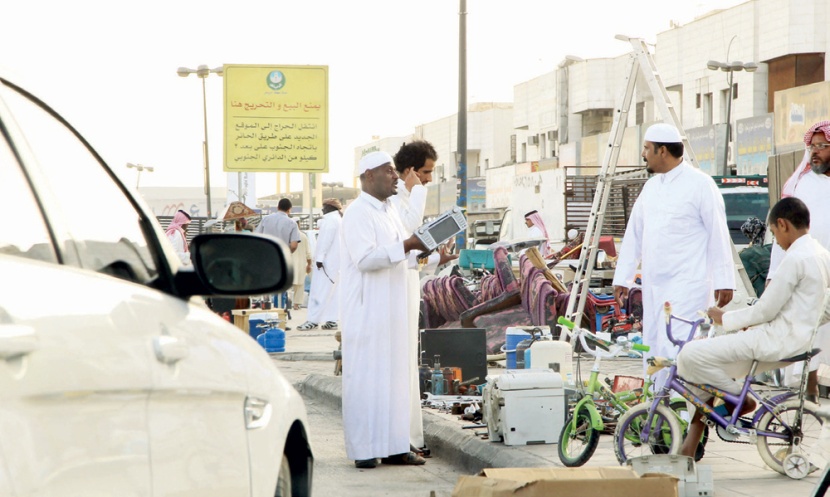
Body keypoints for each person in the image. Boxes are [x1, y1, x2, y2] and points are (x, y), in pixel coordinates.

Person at [676, 197, 830, 458]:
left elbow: (765, 309)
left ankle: (740, 399)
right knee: (705, 371)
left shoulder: (795, 259)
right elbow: (822, 309)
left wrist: (724, 318)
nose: (776, 240)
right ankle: (689, 448)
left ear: (782, 224)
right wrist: (793, 323)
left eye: (773, 232)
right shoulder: (822, 255)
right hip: (793, 340)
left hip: (774, 341)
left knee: (690, 355)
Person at [613, 123, 735, 376]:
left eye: (647, 148)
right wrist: (622, 278)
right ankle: (657, 406)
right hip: (655, 285)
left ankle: (685, 408)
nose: (643, 154)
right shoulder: (651, 188)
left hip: (688, 284)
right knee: (655, 344)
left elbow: (718, 234)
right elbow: (633, 235)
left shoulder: (701, 184)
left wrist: (725, 280)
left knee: (682, 346)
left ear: (663, 151)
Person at [340, 150, 429, 469]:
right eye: (388, 171)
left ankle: (394, 446)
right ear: (367, 176)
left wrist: (426, 252)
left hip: (392, 310)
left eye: (394, 171)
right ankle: (364, 449)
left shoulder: (390, 209)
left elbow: (402, 255)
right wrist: (408, 245)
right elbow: (366, 259)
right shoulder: (357, 212)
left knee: (395, 378)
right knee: (367, 379)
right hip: (367, 311)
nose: (396, 176)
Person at [392, 140, 457, 457]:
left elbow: (410, 253)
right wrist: (418, 191)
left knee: (408, 363)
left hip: (407, 283)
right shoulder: (395, 200)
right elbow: (409, 229)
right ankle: (401, 439)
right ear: (409, 171)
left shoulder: (406, 197)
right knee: (401, 365)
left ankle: (411, 438)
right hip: (394, 290)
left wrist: (436, 260)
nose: (429, 179)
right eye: (426, 173)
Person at [767, 120, 830, 402]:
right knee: (810, 329)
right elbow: (784, 234)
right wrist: (773, 275)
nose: (814, 152)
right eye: (812, 146)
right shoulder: (801, 184)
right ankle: (811, 389)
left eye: (822, 146)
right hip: (810, 270)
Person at [298, 199, 342, 331]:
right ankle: (332, 320)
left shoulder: (330, 220)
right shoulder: (339, 220)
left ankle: (313, 320)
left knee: (319, 291)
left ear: (329, 207)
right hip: (336, 264)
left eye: (324, 207)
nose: (322, 210)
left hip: (325, 264)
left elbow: (324, 241)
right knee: (333, 292)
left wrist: (320, 258)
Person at [256, 198, 301, 314]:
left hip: (265, 258)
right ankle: (279, 316)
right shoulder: (292, 223)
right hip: (282, 258)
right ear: (289, 209)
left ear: (277, 207)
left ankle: (266, 314)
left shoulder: (265, 219)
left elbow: (257, 238)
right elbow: (294, 245)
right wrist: (287, 252)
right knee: (281, 286)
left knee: (267, 286)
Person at [290, 220, 312, 311]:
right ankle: (296, 304)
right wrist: (309, 264)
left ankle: (284, 304)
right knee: (299, 286)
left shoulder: (288, 236)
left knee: (286, 285)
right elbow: (308, 253)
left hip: (289, 264)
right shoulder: (303, 236)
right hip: (300, 264)